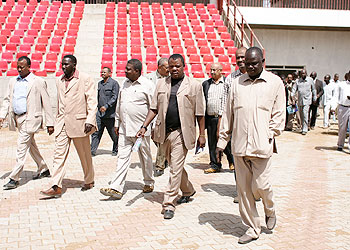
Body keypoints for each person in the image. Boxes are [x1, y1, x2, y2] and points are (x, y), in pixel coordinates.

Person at [216, 47, 286, 244]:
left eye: (255, 63)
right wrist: (222, 141)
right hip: (239, 145)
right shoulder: (236, 84)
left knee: (262, 186)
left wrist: (270, 134)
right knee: (244, 191)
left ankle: (270, 210)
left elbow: (279, 114)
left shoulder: (275, 83)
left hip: (262, 145)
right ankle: (252, 227)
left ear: (263, 61)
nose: (251, 67)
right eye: (247, 64)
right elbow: (228, 114)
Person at [136, 54, 206, 220]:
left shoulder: (194, 86)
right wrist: (144, 126)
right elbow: (153, 108)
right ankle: (188, 190)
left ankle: (169, 204)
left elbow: (200, 113)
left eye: (177, 66)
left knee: (174, 168)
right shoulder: (161, 84)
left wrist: (202, 135)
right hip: (163, 132)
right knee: (176, 166)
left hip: (182, 132)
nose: (174, 69)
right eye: (171, 66)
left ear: (184, 66)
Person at [40, 55, 97, 198]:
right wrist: (53, 122)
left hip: (80, 123)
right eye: (62, 64)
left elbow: (91, 100)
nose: (64, 67)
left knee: (84, 155)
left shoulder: (85, 78)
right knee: (58, 155)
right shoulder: (59, 80)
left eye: (67, 64)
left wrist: (90, 120)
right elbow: (59, 102)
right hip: (62, 123)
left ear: (74, 65)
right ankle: (56, 185)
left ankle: (89, 180)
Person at [100, 59, 155, 199]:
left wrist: (150, 127)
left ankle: (148, 181)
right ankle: (116, 187)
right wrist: (117, 123)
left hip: (141, 131)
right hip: (125, 129)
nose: (125, 71)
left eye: (128, 69)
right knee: (122, 157)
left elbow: (154, 108)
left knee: (145, 157)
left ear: (137, 71)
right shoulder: (124, 84)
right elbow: (120, 104)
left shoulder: (148, 85)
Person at [0, 56, 54, 190]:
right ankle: (44, 168)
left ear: (29, 67)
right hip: (17, 118)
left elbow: (46, 102)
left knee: (21, 146)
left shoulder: (38, 81)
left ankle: (14, 178)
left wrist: (50, 123)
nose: (19, 69)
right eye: (17, 66)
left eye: (22, 67)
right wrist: (2, 115)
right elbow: (7, 100)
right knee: (31, 145)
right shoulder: (13, 81)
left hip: (30, 119)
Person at [202, 63, 233, 174]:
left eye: (215, 70)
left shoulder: (226, 83)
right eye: (211, 70)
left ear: (221, 71)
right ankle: (215, 164)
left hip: (224, 118)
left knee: (226, 141)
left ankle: (232, 161)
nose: (212, 72)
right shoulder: (206, 84)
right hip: (211, 118)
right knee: (212, 143)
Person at [146, 58, 169, 177]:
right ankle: (165, 156)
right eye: (166, 67)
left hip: (163, 113)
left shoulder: (170, 79)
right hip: (151, 112)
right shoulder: (148, 78)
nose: (169, 69)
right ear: (159, 67)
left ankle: (160, 165)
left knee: (161, 138)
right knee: (155, 138)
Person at [90, 67, 119, 156]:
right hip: (99, 114)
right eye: (101, 72)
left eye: (104, 72)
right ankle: (92, 150)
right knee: (96, 133)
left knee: (114, 134)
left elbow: (115, 97)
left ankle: (115, 149)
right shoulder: (100, 84)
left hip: (110, 114)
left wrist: (106, 106)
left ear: (110, 73)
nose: (102, 73)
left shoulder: (114, 83)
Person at [291, 69, 316, 135]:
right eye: (302, 74)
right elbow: (293, 90)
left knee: (305, 114)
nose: (303, 75)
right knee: (301, 115)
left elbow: (313, 89)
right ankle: (303, 127)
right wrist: (292, 96)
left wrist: (314, 97)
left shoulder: (310, 80)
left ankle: (305, 129)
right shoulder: (297, 81)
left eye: (304, 73)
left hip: (307, 100)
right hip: (300, 100)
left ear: (306, 74)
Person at [331, 73, 350, 151]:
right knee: (342, 128)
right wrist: (333, 107)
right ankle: (340, 144)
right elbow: (336, 96)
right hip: (343, 107)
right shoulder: (341, 85)